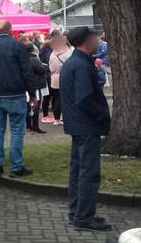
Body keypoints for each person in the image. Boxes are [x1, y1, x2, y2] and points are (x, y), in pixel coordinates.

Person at [59, 26, 112, 232]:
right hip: (86, 126)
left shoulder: (75, 62)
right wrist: (102, 116)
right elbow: (84, 98)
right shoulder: (80, 65)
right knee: (88, 173)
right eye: (94, 37)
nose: (98, 39)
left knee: (78, 171)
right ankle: (83, 216)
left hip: (78, 126)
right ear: (84, 41)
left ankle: (79, 212)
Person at [0, 19, 32, 177]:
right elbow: (26, 71)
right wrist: (33, 92)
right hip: (16, 94)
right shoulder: (18, 46)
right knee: (16, 131)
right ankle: (16, 167)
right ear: (11, 30)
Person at [48, 31, 73, 126]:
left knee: (56, 99)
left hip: (54, 79)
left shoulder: (52, 54)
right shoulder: (69, 53)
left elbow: (50, 68)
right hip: (66, 78)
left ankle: (56, 118)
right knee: (65, 99)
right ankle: (64, 118)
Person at [26, 44, 50, 134]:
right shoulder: (33, 59)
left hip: (27, 85)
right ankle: (35, 126)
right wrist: (45, 66)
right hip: (36, 85)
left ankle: (28, 125)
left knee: (29, 105)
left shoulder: (23, 59)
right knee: (35, 105)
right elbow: (41, 69)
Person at [39, 35, 54, 123]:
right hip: (48, 76)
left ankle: (46, 115)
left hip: (44, 76)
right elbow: (49, 65)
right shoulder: (49, 53)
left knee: (46, 96)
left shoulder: (42, 51)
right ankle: (46, 115)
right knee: (48, 97)